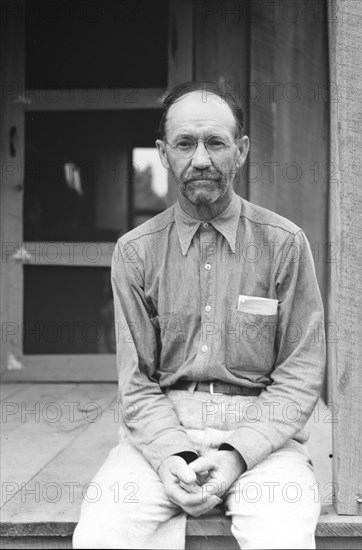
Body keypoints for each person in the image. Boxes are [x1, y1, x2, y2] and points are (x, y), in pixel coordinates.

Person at [73, 81, 326, 550]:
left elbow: (301, 372)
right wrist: (171, 452)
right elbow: (137, 381)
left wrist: (236, 454)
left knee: (282, 539)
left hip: (264, 436)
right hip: (161, 431)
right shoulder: (136, 252)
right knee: (102, 534)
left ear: (241, 150)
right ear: (163, 153)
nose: (202, 158)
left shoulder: (284, 244)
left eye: (216, 142)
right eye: (186, 143)